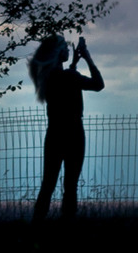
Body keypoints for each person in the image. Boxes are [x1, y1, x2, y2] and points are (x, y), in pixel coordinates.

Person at [31, 33, 103, 223]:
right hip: (74, 134)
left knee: (48, 183)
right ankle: (67, 224)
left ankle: (37, 223)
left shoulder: (48, 78)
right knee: (70, 185)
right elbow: (98, 84)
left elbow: (66, 83)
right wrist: (87, 58)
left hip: (54, 133)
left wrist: (73, 65)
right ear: (58, 53)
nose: (67, 49)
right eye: (64, 46)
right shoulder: (69, 77)